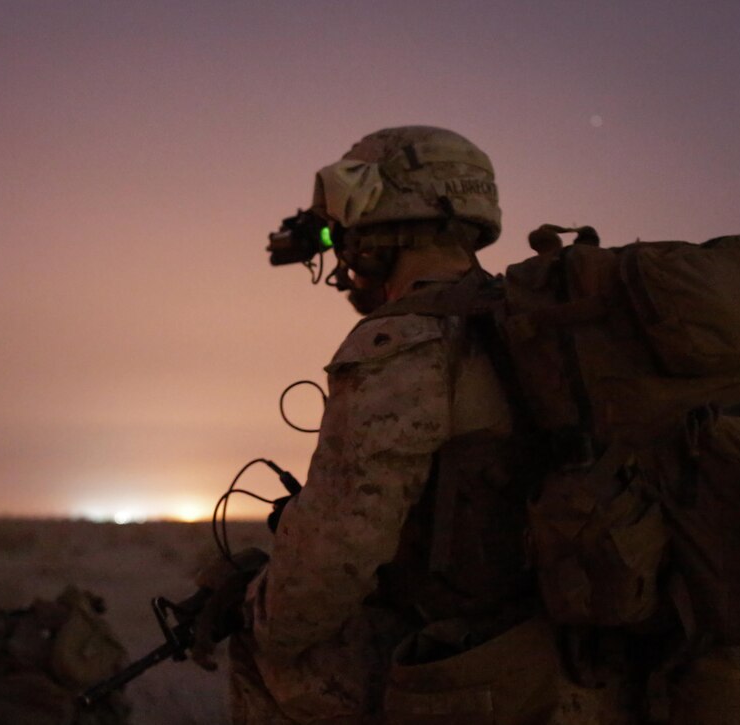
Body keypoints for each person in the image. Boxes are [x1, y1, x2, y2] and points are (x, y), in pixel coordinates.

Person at [191, 126, 606, 725]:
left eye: (346, 225)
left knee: (271, 650)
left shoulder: (405, 340)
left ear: (383, 211)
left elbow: (325, 573)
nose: (342, 246)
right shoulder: (540, 321)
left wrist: (255, 605)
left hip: (491, 659)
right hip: (584, 632)